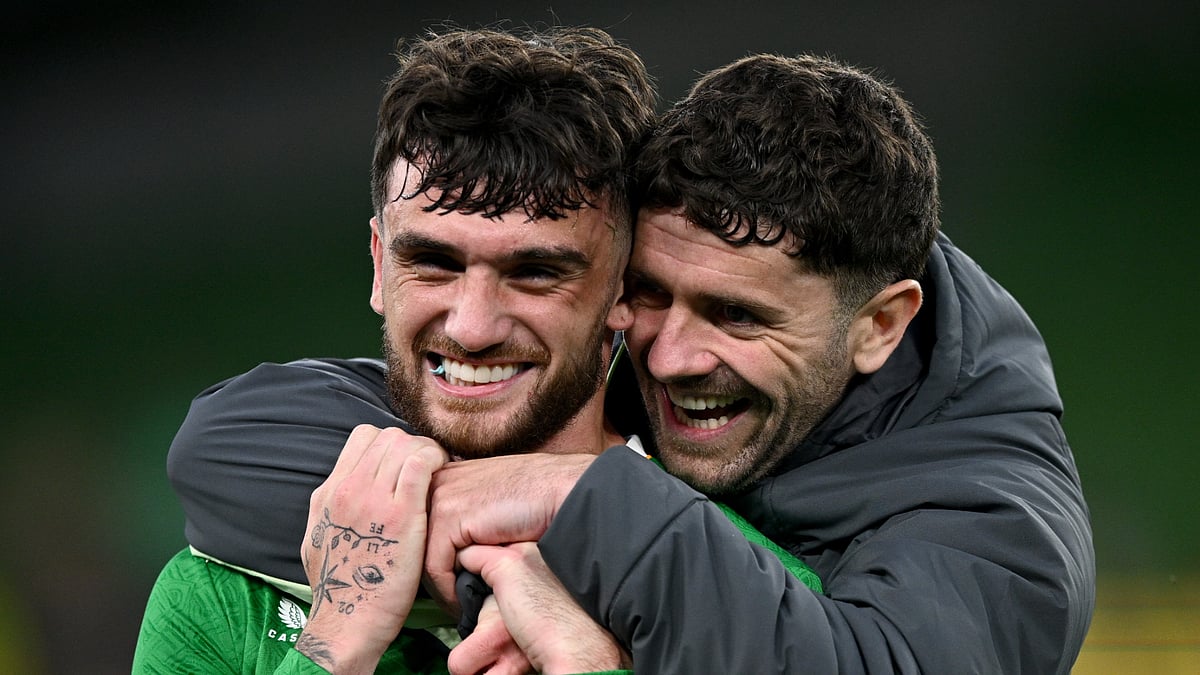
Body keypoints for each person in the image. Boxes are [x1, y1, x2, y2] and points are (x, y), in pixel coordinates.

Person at [160, 50, 1095, 673]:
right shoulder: (206, 598)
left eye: (736, 315)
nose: (672, 352)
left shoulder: (995, 532)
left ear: (881, 325)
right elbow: (223, 446)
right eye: (653, 292)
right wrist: (364, 614)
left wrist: (581, 503)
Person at [133, 25, 820, 675]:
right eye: (433, 263)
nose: (471, 326)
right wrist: (336, 639)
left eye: (535, 272)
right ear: (378, 265)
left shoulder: (757, 584)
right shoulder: (219, 593)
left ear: (622, 288)